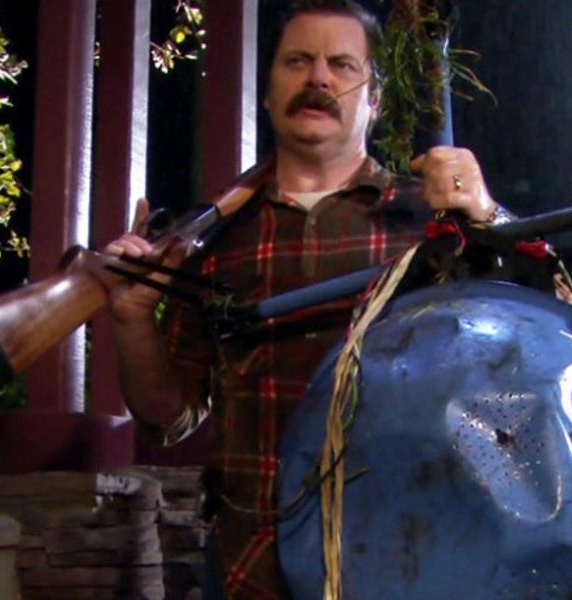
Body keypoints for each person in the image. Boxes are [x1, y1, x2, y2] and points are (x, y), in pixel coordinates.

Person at [105, 1, 504, 597]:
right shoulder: (214, 239)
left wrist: (489, 217)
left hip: (407, 564)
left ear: (374, 100)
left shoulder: (435, 220)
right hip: (252, 571)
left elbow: (551, 330)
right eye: (297, 61)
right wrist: (133, 319)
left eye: (342, 65)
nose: (318, 77)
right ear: (269, 94)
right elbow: (167, 417)